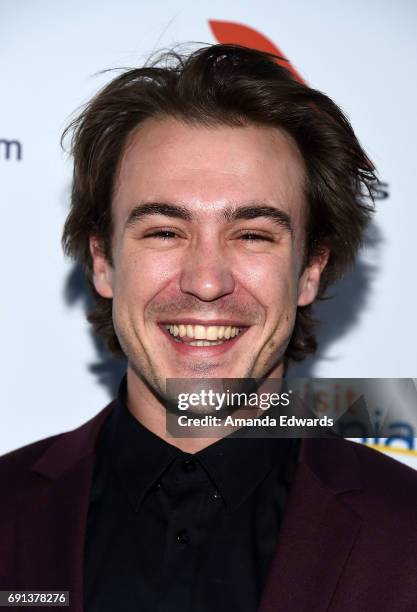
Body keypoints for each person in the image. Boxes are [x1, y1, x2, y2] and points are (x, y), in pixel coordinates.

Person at [1, 43, 417, 612]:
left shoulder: (406, 531)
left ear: (309, 271)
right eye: (165, 232)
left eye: (252, 234)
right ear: (102, 260)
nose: (205, 281)